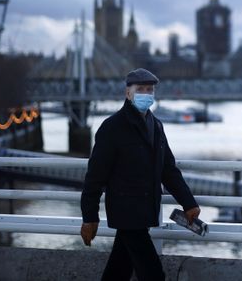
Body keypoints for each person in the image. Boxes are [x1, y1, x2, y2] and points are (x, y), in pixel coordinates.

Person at [80, 67, 200, 280]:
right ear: (128, 93)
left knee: (119, 269)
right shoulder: (112, 127)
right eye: (141, 89)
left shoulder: (156, 125)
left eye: (150, 90)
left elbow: (168, 169)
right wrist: (90, 217)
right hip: (126, 211)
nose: (146, 94)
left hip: (146, 209)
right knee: (152, 273)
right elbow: (95, 177)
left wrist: (188, 203)